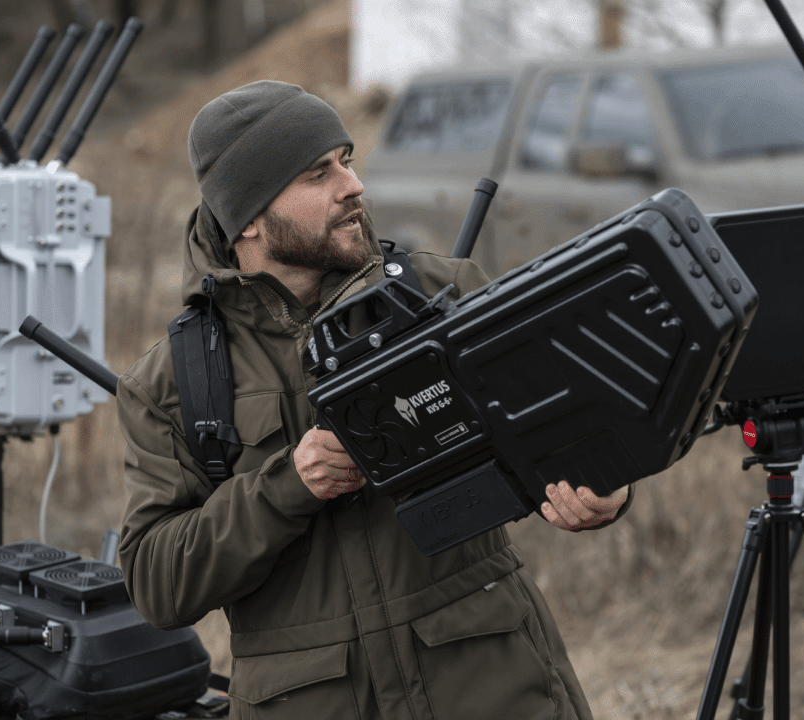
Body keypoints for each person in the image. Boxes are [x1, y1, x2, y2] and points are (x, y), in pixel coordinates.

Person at [117, 80, 632, 720]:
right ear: (246, 217)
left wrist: (605, 489)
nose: (353, 186)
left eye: (347, 161)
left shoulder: (443, 293)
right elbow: (158, 585)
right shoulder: (171, 383)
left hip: (493, 685)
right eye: (318, 174)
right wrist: (287, 486)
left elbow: (576, 427)